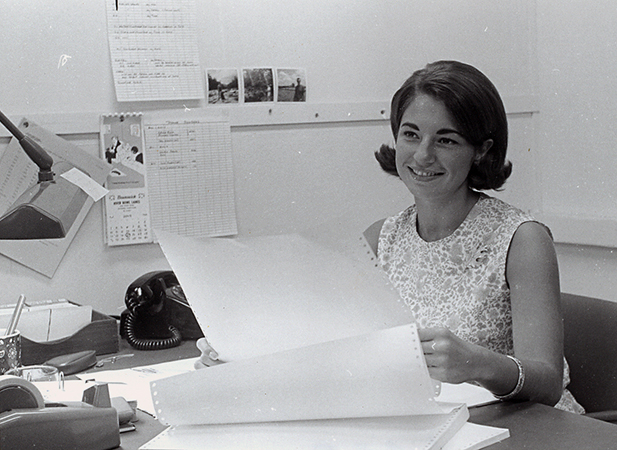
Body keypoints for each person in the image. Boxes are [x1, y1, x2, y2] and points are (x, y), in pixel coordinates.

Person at [366, 60, 583, 413]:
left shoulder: (521, 239)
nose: (423, 155)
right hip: (425, 424)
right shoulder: (379, 238)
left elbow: (548, 383)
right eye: (411, 134)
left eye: (446, 140)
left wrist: (479, 364)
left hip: (523, 428)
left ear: (481, 150)